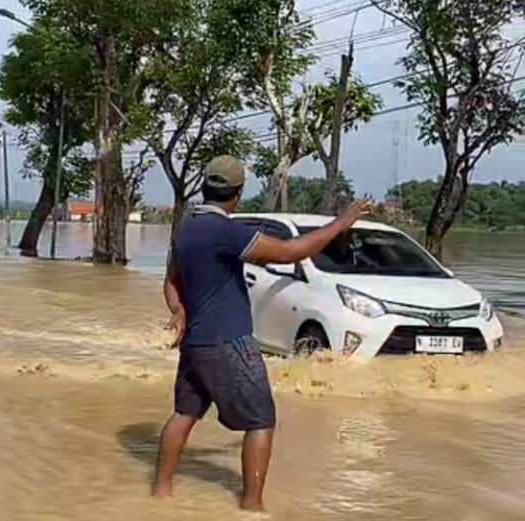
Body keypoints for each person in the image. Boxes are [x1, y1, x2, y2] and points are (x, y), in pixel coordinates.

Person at [153, 155, 371, 511]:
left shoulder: (187, 228)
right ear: (237, 194)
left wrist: (179, 312)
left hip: (194, 344)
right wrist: (340, 223)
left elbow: (171, 282)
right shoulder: (225, 231)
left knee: (184, 414)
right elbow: (287, 253)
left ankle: (160, 496)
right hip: (230, 342)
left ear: (205, 186)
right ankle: (252, 507)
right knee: (261, 421)